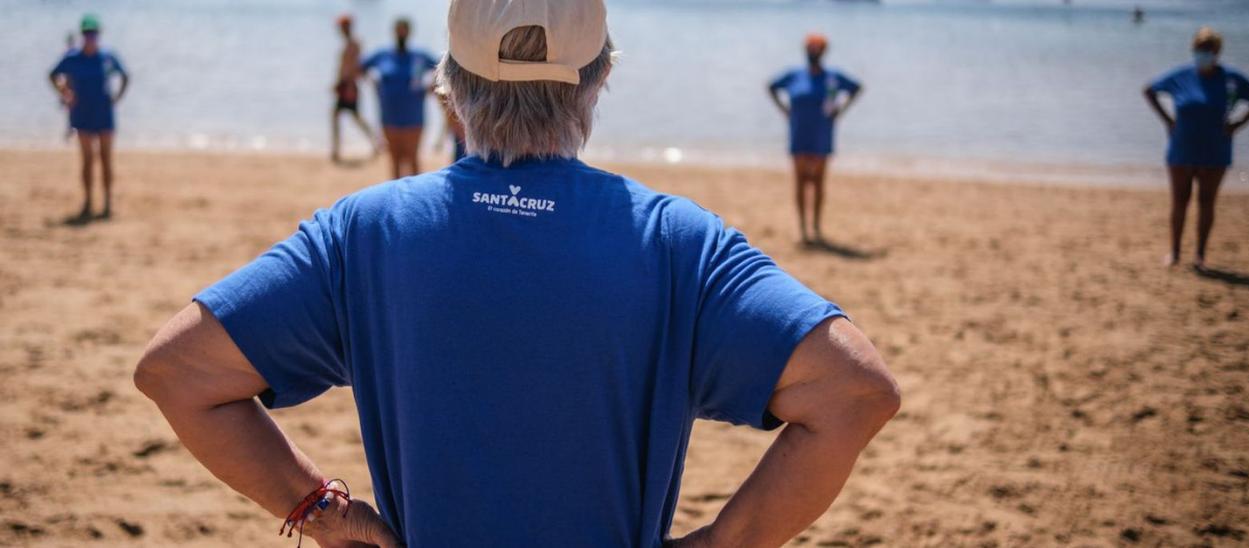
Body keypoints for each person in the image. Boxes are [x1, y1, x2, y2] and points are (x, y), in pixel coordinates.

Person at [134, 1, 901, 546]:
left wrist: (321, 510)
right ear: (598, 81)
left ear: (450, 89)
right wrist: (724, 542)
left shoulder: (364, 231)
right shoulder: (677, 241)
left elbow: (177, 372)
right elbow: (856, 391)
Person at [1144, 27, 1249, 269]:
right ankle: (1175, 252)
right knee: (1180, 200)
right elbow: (1149, 91)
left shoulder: (1230, 79)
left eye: (1209, 50)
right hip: (1182, 148)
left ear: (1218, 52)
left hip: (1216, 149)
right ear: (1194, 50)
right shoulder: (1181, 76)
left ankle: (1200, 254)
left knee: (1206, 201)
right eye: (1200, 49)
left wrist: (1238, 124)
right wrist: (1168, 121)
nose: (1204, 54)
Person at [769, 34, 861, 245]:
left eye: (817, 48)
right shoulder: (794, 75)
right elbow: (771, 87)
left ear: (824, 51)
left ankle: (817, 227)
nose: (813, 52)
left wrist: (841, 110)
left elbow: (856, 88)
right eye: (811, 48)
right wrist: (784, 110)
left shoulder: (833, 77)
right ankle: (803, 229)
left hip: (822, 134)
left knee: (818, 182)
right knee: (800, 181)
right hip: (799, 133)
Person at [49, 14, 129, 220]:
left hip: (104, 112)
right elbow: (53, 75)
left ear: (99, 35)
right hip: (82, 114)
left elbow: (125, 76)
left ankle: (108, 203)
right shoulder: (72, 58)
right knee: (87, 160)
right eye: (87, 33)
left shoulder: (107, 57)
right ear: (82, 35)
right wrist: (65, 93)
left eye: (93, 33)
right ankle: (87, 202)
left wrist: (117, 98)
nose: (90, 37)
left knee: (105, 159)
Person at [361, 17, 438, 179]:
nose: (401, 33)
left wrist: (432, 86)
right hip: (389, 116)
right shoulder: (383, 55)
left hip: (414, 117)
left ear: (409, 32)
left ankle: (415, 198)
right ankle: (396, 199)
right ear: (394, 32)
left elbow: (443, 68)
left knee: (412, 159)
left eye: (404, 30)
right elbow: (360, 68)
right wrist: (372, 83)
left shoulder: (419, 56)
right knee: (394, 160)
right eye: (398, 30)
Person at [331, 13, 379, 164]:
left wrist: (348, 85)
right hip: (345, 85)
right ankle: (337, 149)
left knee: (353, 117)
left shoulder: (353, 44)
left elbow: (355, 67)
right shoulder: (349, 44)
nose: (341, 30)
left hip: (349, 85)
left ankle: (376, 142)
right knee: (345, 117)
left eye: (342, 27)